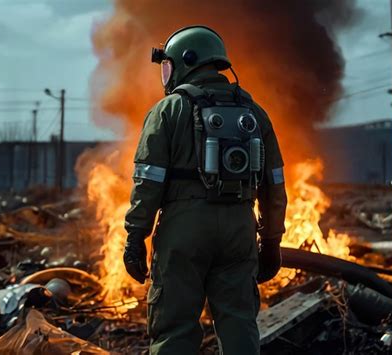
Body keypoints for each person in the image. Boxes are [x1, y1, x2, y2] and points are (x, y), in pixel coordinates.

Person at [123, 25, 287, 355]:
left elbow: (148, 182)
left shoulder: (168, 110)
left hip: (184, 231)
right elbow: (274, 185)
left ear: (186, 61)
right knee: (239, 321)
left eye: (168, 65)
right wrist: (271, 241)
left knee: (175, 327)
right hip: (239, 228)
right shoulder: (255, 113)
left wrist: (135, 237)